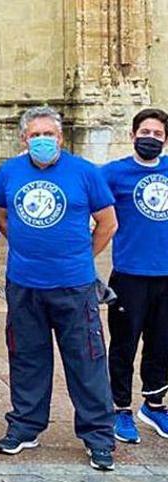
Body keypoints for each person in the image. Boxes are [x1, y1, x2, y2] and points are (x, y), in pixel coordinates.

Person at [0, 106, 118, 470]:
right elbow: (0, 213)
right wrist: (24, 244)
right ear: (23, 139)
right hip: (25, 284)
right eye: (35, 135)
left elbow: (107, 223)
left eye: (49, 134)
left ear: (61, 138)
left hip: (74, 287)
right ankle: (26, 426)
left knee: (87, 360)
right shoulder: (9, 171)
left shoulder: (84, 172)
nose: (43, 140)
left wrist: (80, 255)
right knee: (27, 358)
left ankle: (98, 437)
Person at [101, 108, 168, 443]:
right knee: (125, 344)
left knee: (162, 342)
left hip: (166, 275)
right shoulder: (114, 174)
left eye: (157, 134)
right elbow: (89, 202)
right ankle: (120, 409)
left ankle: (154, 404)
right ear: (132, 135)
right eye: (145, 132)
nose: (150, 139)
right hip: (129, 274)